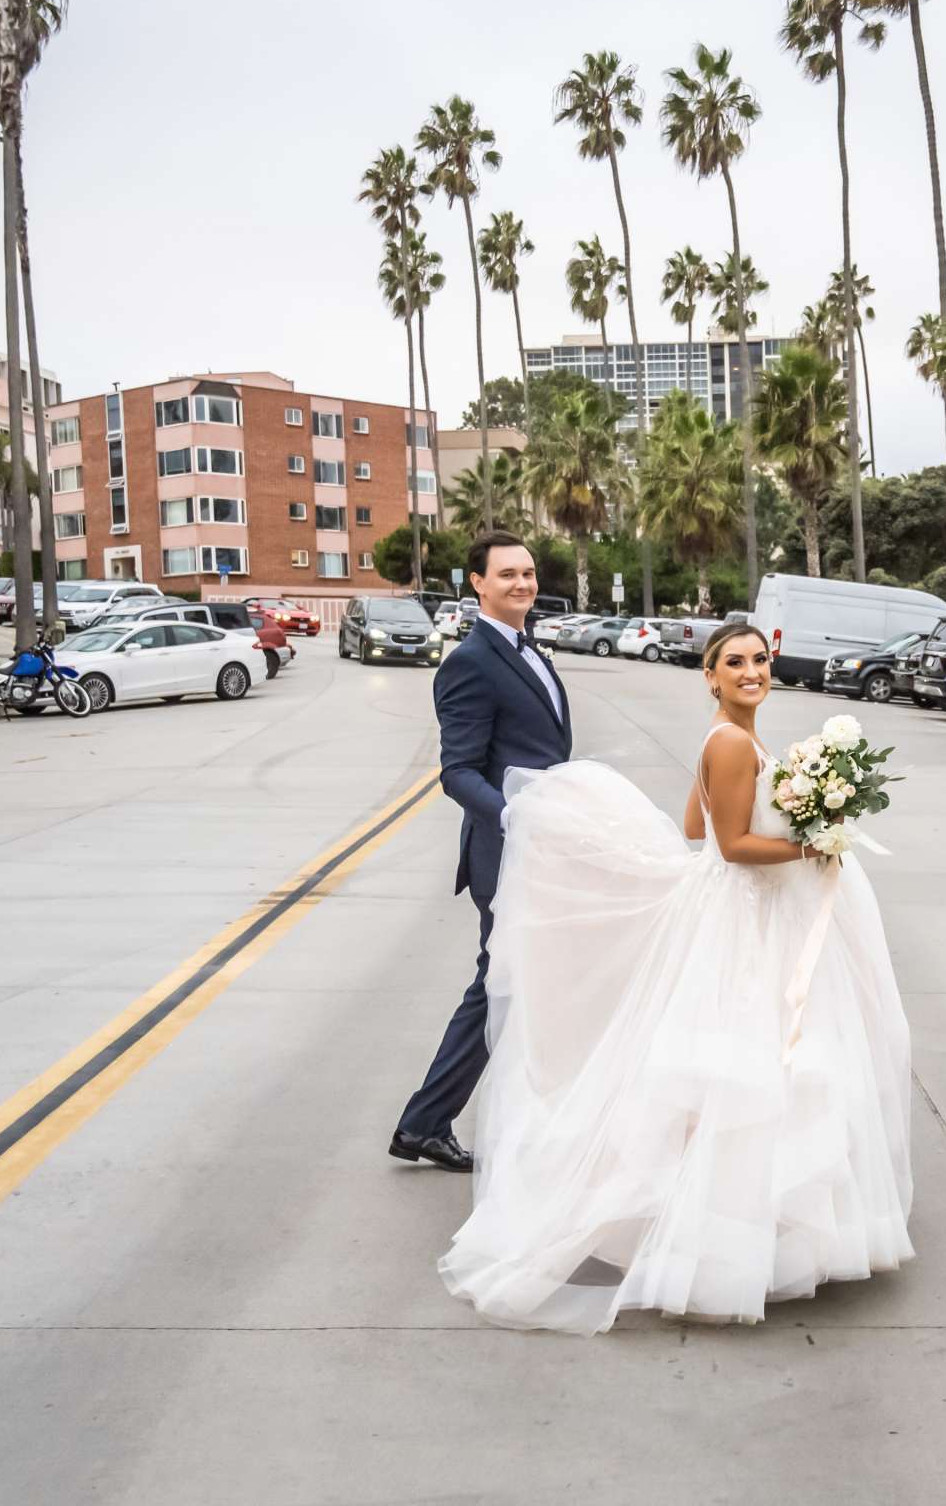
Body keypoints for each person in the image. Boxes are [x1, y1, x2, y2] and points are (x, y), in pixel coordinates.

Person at [437, 621, 914, 1332]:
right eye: (734, 663)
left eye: (759, 660)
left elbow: (694, 824)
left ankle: (747, 1220)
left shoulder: (732, 738)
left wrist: (794, 814)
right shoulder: (728, 740)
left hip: (747, 913)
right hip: (747, 919)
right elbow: (732, 845)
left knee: (750, 1068)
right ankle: (738, 1236)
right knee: (760, 1066)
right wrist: (809, 840)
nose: (750, 671)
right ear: (710, 676)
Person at [391, 531, 572, 1175]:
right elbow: (459, 772)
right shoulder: (470, 660)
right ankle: (430, 1121)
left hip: (547, 852)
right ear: (477, 583)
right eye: (506, 575)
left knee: (508, 984)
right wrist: (518, 813)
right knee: (505, 985)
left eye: (527, 572)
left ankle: (425, 1123)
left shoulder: (529, 651)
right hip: (510, 854)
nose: (522, 583)